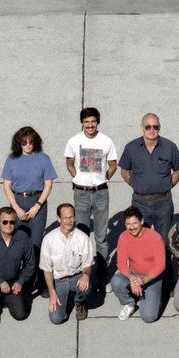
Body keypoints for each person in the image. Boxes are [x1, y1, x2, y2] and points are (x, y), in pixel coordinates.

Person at [64, 106, 119, 274]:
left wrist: (103, 178)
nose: (90, 125)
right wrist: (77, 178)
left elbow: (113, 164)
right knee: (81, 235)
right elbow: (69, 162)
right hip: (81, 193)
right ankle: (82, 274)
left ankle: (102, 276)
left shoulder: (106, 141)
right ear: (82, 123)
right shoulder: (74, 141)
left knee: (101, 238)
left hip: (101, 193)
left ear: (98, 122)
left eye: (93, 121)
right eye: (86, 122)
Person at [119, 113, 179, 238]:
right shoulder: (131, 147)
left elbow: (178, 170)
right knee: (139, 239)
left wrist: (168, 185)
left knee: (164, 241)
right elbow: (124, 171)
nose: (152, 130)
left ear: (159, 127)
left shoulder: (170, 147)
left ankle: (163, 258)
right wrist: (136, 184)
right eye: (148, 127)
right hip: (140, 203)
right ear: (141, 127)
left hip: (163, 203)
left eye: (155, 127)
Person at [1, 125, 57, 256]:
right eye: (24, 142)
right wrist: (16, 208)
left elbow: (48, 184)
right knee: (17, 240)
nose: (28, 145)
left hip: (37, 201)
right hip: (17, 200)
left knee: (36, 242)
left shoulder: (43, 158)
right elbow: (6, 185)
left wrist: (37, 206)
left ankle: (35, 275)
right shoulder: (11, 159)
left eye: (31, 141)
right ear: (18, 143)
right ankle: (20, 273)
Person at [39, 203, 94, 324]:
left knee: (87, 286)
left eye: (71, 217)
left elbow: (87, 265)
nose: (69, 221)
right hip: (59, 281)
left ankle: (80, 302)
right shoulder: (49, 240)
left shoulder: (83, 238)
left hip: (77, 277)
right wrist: (52, 292)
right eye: (65, 218)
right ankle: (66, 299)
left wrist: (86, 275)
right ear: (58, 219)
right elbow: (46, 269)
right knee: (56, 319)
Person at [109, 206, 166, 322]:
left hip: (151, 277)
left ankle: (155, 296)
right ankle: (129, 304)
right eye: (128, 224)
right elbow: (121, 263)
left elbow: (161, 265)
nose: (131, 227)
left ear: (142, 221)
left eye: (135, 223)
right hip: (134, 273)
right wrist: (132, 278)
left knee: (149, 317)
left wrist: (144, 280)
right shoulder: (123, 237)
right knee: (116, 281)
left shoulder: (155, 238)